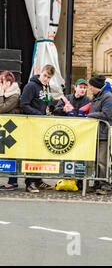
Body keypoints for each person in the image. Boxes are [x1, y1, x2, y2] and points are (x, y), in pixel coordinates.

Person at [20, 64, 56, 193]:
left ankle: (38, 180)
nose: (46, 79)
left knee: (40, 154)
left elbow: (46, 103)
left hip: (42, 124)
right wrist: (38, 114)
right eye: (45, 76)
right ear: (40, 72)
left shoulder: (46, 87)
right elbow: (24, 104)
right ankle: (29, 182)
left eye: (49, 77)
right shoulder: (31, 86)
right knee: (31, 154)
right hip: (32, 124)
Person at [87, 74, 112, 195]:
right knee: (96, 160)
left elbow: (106, 114)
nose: (90, 89)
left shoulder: (108, 97)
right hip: (97, 132)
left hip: (104, 133)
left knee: (102, 161)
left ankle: (106, 184)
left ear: (97, 87)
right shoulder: (98, 96)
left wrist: (90, 116)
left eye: (91, 86)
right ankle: (98, 182)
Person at [0, 71, 21, 191]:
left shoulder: (14, 95)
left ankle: (12, 181)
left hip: (11, 129)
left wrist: (1, 94)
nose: (1, 84)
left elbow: (1, 108)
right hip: (3, 128)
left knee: (12, 155)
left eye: (3, 82)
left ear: (9, 82)